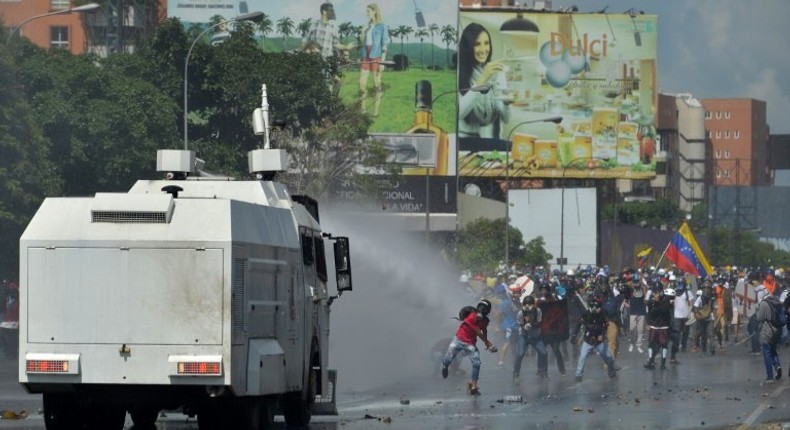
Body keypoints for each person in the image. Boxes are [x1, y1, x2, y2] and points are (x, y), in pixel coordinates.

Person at [457, 23, 511, 139]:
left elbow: (506, 119)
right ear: (468, 47)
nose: (483, 49)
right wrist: (483, 79)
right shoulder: (458, 73)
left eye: (486, 43)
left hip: (493, 140)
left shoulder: (497, 72)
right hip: (464, 141)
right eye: (477, 44)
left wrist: (506, 104)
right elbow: (458, 113)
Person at [441, 299, 496, 395]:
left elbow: (484, 330)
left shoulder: (485, 320)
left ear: (487, 311)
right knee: (449, 358)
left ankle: (474, 386)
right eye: (481, 307)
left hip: (470, 343)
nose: (482, 310)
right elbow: (478, 331)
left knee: (477, 363)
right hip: (458, 340)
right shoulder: (472, 316)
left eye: (484, 308)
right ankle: (445, 365)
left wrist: (486, 343)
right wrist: (488, 343)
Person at [300, 2, 354, 95]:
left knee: (329, 86)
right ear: (324, 12)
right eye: (331, 11)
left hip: (327, 62)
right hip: (314, 61)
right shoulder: (314, 24)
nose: (332, 13)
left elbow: (336, 44)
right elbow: (305, 41)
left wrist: (346, 47)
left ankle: (331, 102)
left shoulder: (333, 27)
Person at [574, 295, 617, 382]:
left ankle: (612, 372)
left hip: (599, 340)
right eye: (592, 306)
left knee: (608, 357)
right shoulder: (586, 314)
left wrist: (602, 335)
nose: (594, 308)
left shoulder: (603, 313)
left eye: (596, 306)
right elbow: (579, 324)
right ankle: (578, 375)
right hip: (588, 339)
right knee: (582, 357)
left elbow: (606, 325)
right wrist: (574, 335)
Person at [358, 3, 389, 117]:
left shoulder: (381, 26)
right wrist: (362, 31)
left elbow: (384, 43)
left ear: (374, 11)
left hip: (376, 56)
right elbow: (363, 41)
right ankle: (363, 110)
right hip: (366, 55)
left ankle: (375, 112)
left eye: (368, 11)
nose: (366, 13)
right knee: (361, 83)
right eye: (366, 11)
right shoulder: (367, 26)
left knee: (376, 84)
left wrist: (382, 62)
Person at [513, 295, 548, 383]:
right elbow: (520, 324)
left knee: (544, 353)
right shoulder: (520, 313)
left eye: (530, 304)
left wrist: (531, 324)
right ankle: (516, 373)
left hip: (536, 336)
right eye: (526, 304)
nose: (528, 306)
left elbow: (539, 323)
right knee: (520, 354)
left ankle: (543, 371)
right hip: (524, 336)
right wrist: (524, 326)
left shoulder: (538, 311)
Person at [755, 286, 782, 382]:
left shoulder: (763, 303)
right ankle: (777, 366)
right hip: (778, 329)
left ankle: (770, 376)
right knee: (773, 349)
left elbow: (759, 318)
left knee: (767, 352)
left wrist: (757, 308)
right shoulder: (775, 299)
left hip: (768, 330)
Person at [644, 288, 673, 369]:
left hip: (663, 326)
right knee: (651, 344)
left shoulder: (666, 301)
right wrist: (648, 323)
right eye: (655, 292)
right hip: (654, 326)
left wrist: (657, 302)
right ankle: (651, 361)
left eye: (658, 292)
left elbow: (664, 311)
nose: (656, 294)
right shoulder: (652, 302)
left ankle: (662, 363)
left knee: (664, 345)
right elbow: (649, 313)